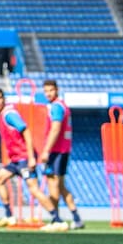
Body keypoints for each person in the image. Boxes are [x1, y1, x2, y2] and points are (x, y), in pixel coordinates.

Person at [0, 88, 53, 228]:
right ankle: (9, 216)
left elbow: (26, 131)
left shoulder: (9, 114)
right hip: (15, 161)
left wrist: (31, 157)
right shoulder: (2, 116)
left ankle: (57, 219)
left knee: (34, 189)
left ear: (4, 99)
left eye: (0, 98)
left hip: (24, 158)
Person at [37, 79, 83, 231]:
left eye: (51, 90)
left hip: (57, 151)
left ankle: (56, 220)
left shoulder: (56, 107)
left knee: (53, 185)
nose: (48, 94)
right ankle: (76, 218)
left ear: (57, 90)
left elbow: (55, 129)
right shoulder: (63, 106)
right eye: (46, 91)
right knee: (61, 186)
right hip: (64, 150)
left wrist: (46, 150)